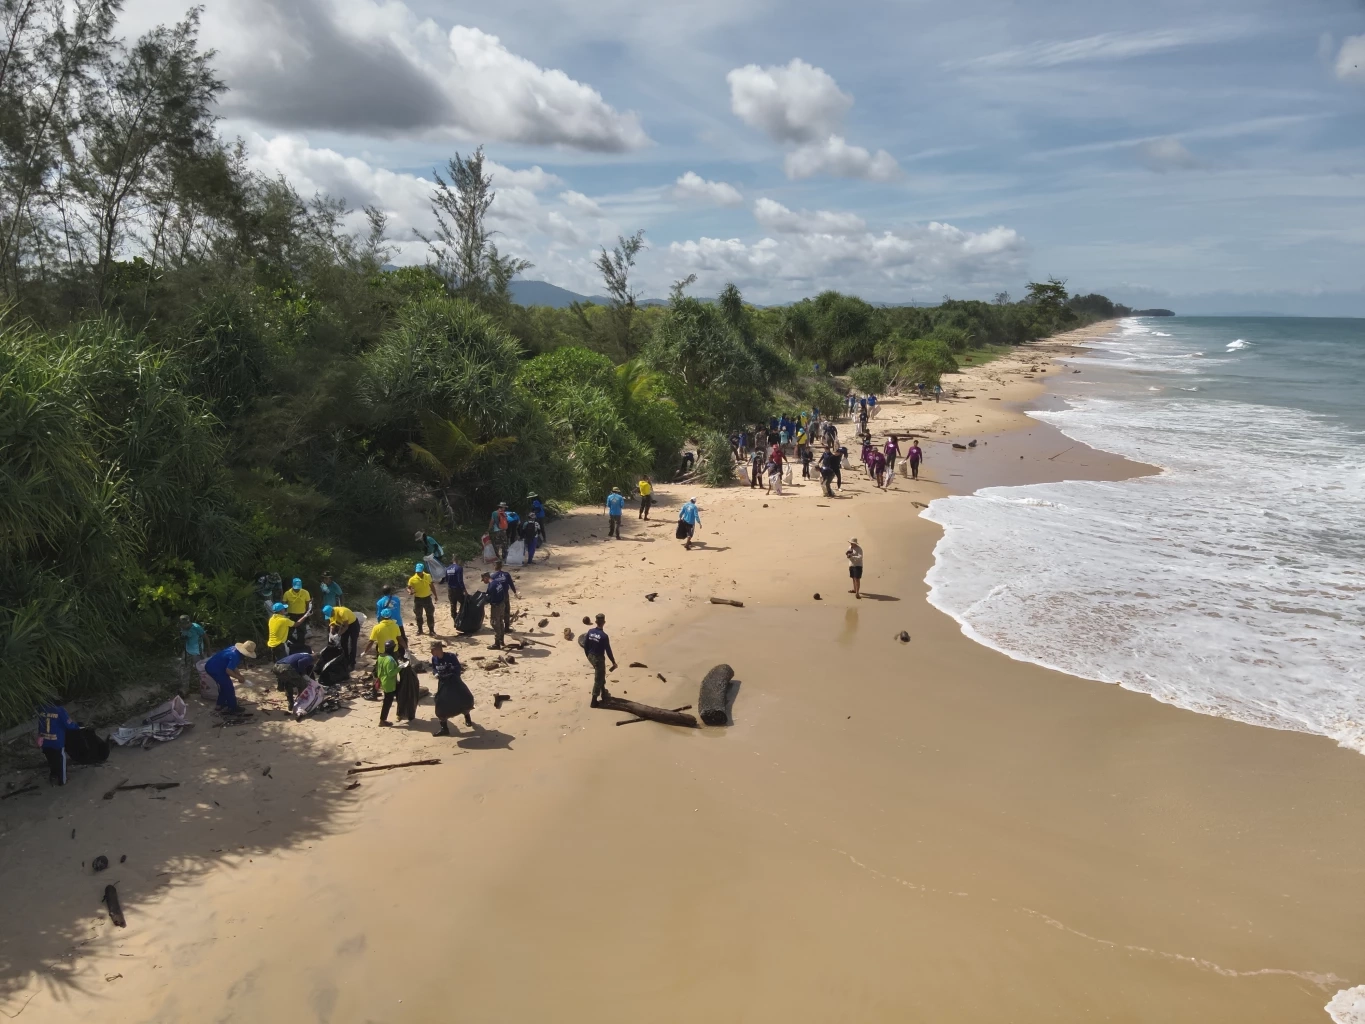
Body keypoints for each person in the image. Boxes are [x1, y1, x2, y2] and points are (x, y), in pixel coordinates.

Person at [430, 641, 475, 735]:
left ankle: (467, 717)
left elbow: (458, 668)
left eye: (433, 650)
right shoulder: (434, 658)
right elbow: (434, 668)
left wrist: (451, 674)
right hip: (442, 684)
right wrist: (436, 673)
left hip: (455, 684)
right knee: (441, 705)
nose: (431, 651)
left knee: (462, 700)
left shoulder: (451, 657)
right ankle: (444, 728)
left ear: (438, 649)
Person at [203, 641, 256, 713]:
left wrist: (240, 676)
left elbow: (233, 666)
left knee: (224, 686)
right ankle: (232, 708)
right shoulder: (236, 656)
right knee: (229, 687)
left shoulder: (234, 649)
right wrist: (239, 678)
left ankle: (220, 705)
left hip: (213, 665)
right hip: (215, 669)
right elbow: (229, 670)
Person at [37, 703, 79, 785]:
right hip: (56, 741)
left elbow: (40, 724)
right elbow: (69, 725)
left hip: (44, 741)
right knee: (60, 760)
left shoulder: (41, 708)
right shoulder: (59, 710)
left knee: (51, 759)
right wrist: (77, 727)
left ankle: (53, 775)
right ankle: (62, 780)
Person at [581, 613, 619, 704]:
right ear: (604, 622)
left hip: (591, 656)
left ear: (595, 622)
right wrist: (613, 662)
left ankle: (604, 692)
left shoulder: (590, 631)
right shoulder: (604, 636)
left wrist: (588, 657)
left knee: (601, 674)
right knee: (598, 678)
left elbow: (585, 646)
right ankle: (594, 701)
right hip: (599, 659)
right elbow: (608, 651)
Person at [485, 561, 517, 649]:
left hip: (497, 599)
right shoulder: (506, 574)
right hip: (504, 596)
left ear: (495, 566)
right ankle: (506, 628)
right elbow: (511, 584)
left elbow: (489, 593)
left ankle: (497, 642)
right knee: (506, 612)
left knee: (495, 621)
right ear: (501, 566)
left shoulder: (493, 577)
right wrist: (515, 592)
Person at [325, 604, 360, 669]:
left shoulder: (342, 612)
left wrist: (338, 635)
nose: (330, 616)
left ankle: (352, 662)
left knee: (353, 644)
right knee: (343, 642)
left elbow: (346, 627)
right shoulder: (331, 613)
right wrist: (331, 635)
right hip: (343, 625)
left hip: (353, 625)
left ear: (332, 611)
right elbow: (332, 625)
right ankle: (346, 659)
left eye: (331, 615)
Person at [407, 562, 437, 635]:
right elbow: (408, 587)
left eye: (420, 571)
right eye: (417, 571)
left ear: (422, 570)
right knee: (418, 615)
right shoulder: (412, 579)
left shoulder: (428, 576)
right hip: (418, 599)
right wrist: (410, 591)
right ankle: (420, 630)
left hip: (427, 598)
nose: (419, 573)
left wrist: (435, 595)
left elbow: (431, 586)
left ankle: (431, 630)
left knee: (430, 614)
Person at [375, 640, 400, 726]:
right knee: (387, 702)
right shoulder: (390, 659)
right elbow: (391, 673)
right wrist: (400, 667)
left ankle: (400, 714)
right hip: (389, 683)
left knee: (396, 697)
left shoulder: (380, 656)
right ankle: (382, 720)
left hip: (383, 681)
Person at [178, 614, 208, 683]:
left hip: (197, 652)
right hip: (187, 650)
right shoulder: (182, 628)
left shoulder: (197, 627)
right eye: (183, 624)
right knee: (185, 668)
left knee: (200, 669)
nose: (185, 626)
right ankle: (185, 687)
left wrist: (209, 649)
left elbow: (205, 637)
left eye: (186, 624)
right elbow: (182, 637)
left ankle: (204, 684)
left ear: (189, 622)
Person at [281, 577, 312, 643]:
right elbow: (284, 604)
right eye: (296, 588)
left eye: (298, 588)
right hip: (290, 615)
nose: (297, 589)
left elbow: (307, 604)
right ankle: (293, 644)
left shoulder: (305, 593)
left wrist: (307, 614)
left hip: (301, 615)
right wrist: (284, 613)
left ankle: (301, 645)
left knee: (301, 632)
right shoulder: (287, 593)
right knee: (289, 632)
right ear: (292, 585)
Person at [443, 558, 467, 626]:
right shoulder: (459, 568)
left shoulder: (447, 569)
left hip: (450, 589)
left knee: (453, 604)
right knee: (463, 603)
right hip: (458, 589)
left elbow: (446, 580)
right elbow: (460, 581)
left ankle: (455, 620)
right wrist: (464, 590)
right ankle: (459, 617)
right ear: (457, 560)